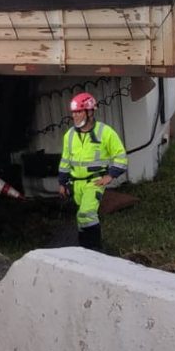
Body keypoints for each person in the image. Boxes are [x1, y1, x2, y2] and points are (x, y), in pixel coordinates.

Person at [57, 92, 127, 251]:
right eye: (73, 112)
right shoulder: (69, 136)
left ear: (89, 112)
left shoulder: (105, 132)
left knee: (86, 214)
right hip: (76, 185)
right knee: (81, 218)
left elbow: (121, 156)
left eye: (79, 112)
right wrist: (62, 183)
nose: (75, 116)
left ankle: (94, 250)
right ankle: (85, 250)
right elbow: (65, 162)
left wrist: (110, 175)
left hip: (94, 182)